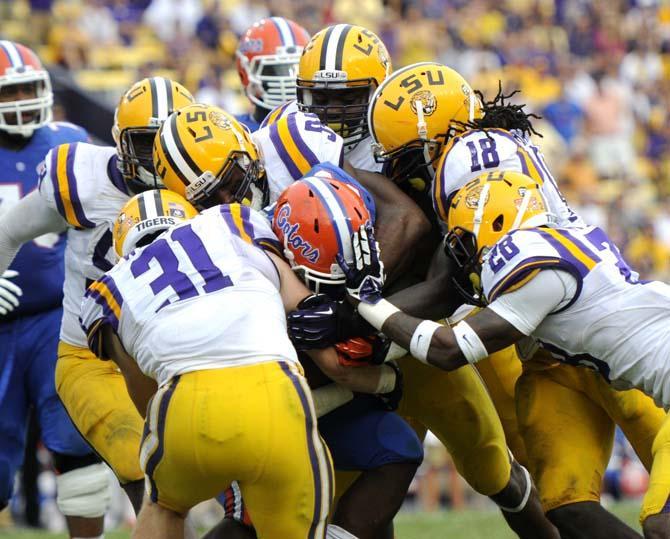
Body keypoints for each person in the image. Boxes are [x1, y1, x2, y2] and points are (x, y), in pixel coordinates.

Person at [367, 62, 665, 538]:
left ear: (436, 134)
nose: (402, 168)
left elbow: (453, 293)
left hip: (592, 331)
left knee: (661, 518)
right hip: (554, 347)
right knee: (565, 505)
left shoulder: (472, 166)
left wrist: (366, 306)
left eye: (407, 154)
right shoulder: (490, 151)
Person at [80, 188, 402, 539]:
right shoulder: (231, 221)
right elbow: (308, 312)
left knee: (164, 507)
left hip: (184, 405)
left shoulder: (107, 290)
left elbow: (145, 397)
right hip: (275, 393)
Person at [0, 76, 195, 514]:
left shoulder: (202, 183)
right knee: (144, 468)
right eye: (148, 143)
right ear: (121, 143)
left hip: (176, 354)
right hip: (94, 358)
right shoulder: (82, 180)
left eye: (170, 143)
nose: (160, 158)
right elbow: (10, 229)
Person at [0, 39, 110, 538]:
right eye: (9, 91)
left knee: (75, 442)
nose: (21, 100)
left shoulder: (70, 140)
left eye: (28, 88)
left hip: (56, 319)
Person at [235, 17, 310, 132]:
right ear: (244, 74)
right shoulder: (236, 131)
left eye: (297, 70)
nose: (289, 81)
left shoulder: (320, 128)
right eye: (272, 70)